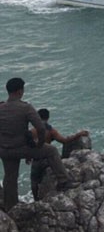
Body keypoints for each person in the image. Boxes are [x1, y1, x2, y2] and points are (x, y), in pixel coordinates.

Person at [0, 78, 78, 211]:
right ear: (20, 91)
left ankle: (10, 207)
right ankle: (63, 181)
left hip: (4, 150)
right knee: (52, 150)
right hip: (21, 148)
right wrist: (39, 144)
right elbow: (41, 128)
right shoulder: (25, 107)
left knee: (10, 177)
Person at [29, 109, 89, 201]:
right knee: (57, 160)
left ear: (38, 117)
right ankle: (63, 182)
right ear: (48, 118)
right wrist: (78, 134)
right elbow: (64, 141)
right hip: (46, 161)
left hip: (36, 161)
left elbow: (28, 145)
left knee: (34, 181)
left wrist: (27, 157)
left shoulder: (32, 131)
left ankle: (35, 200)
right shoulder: (51, 131)